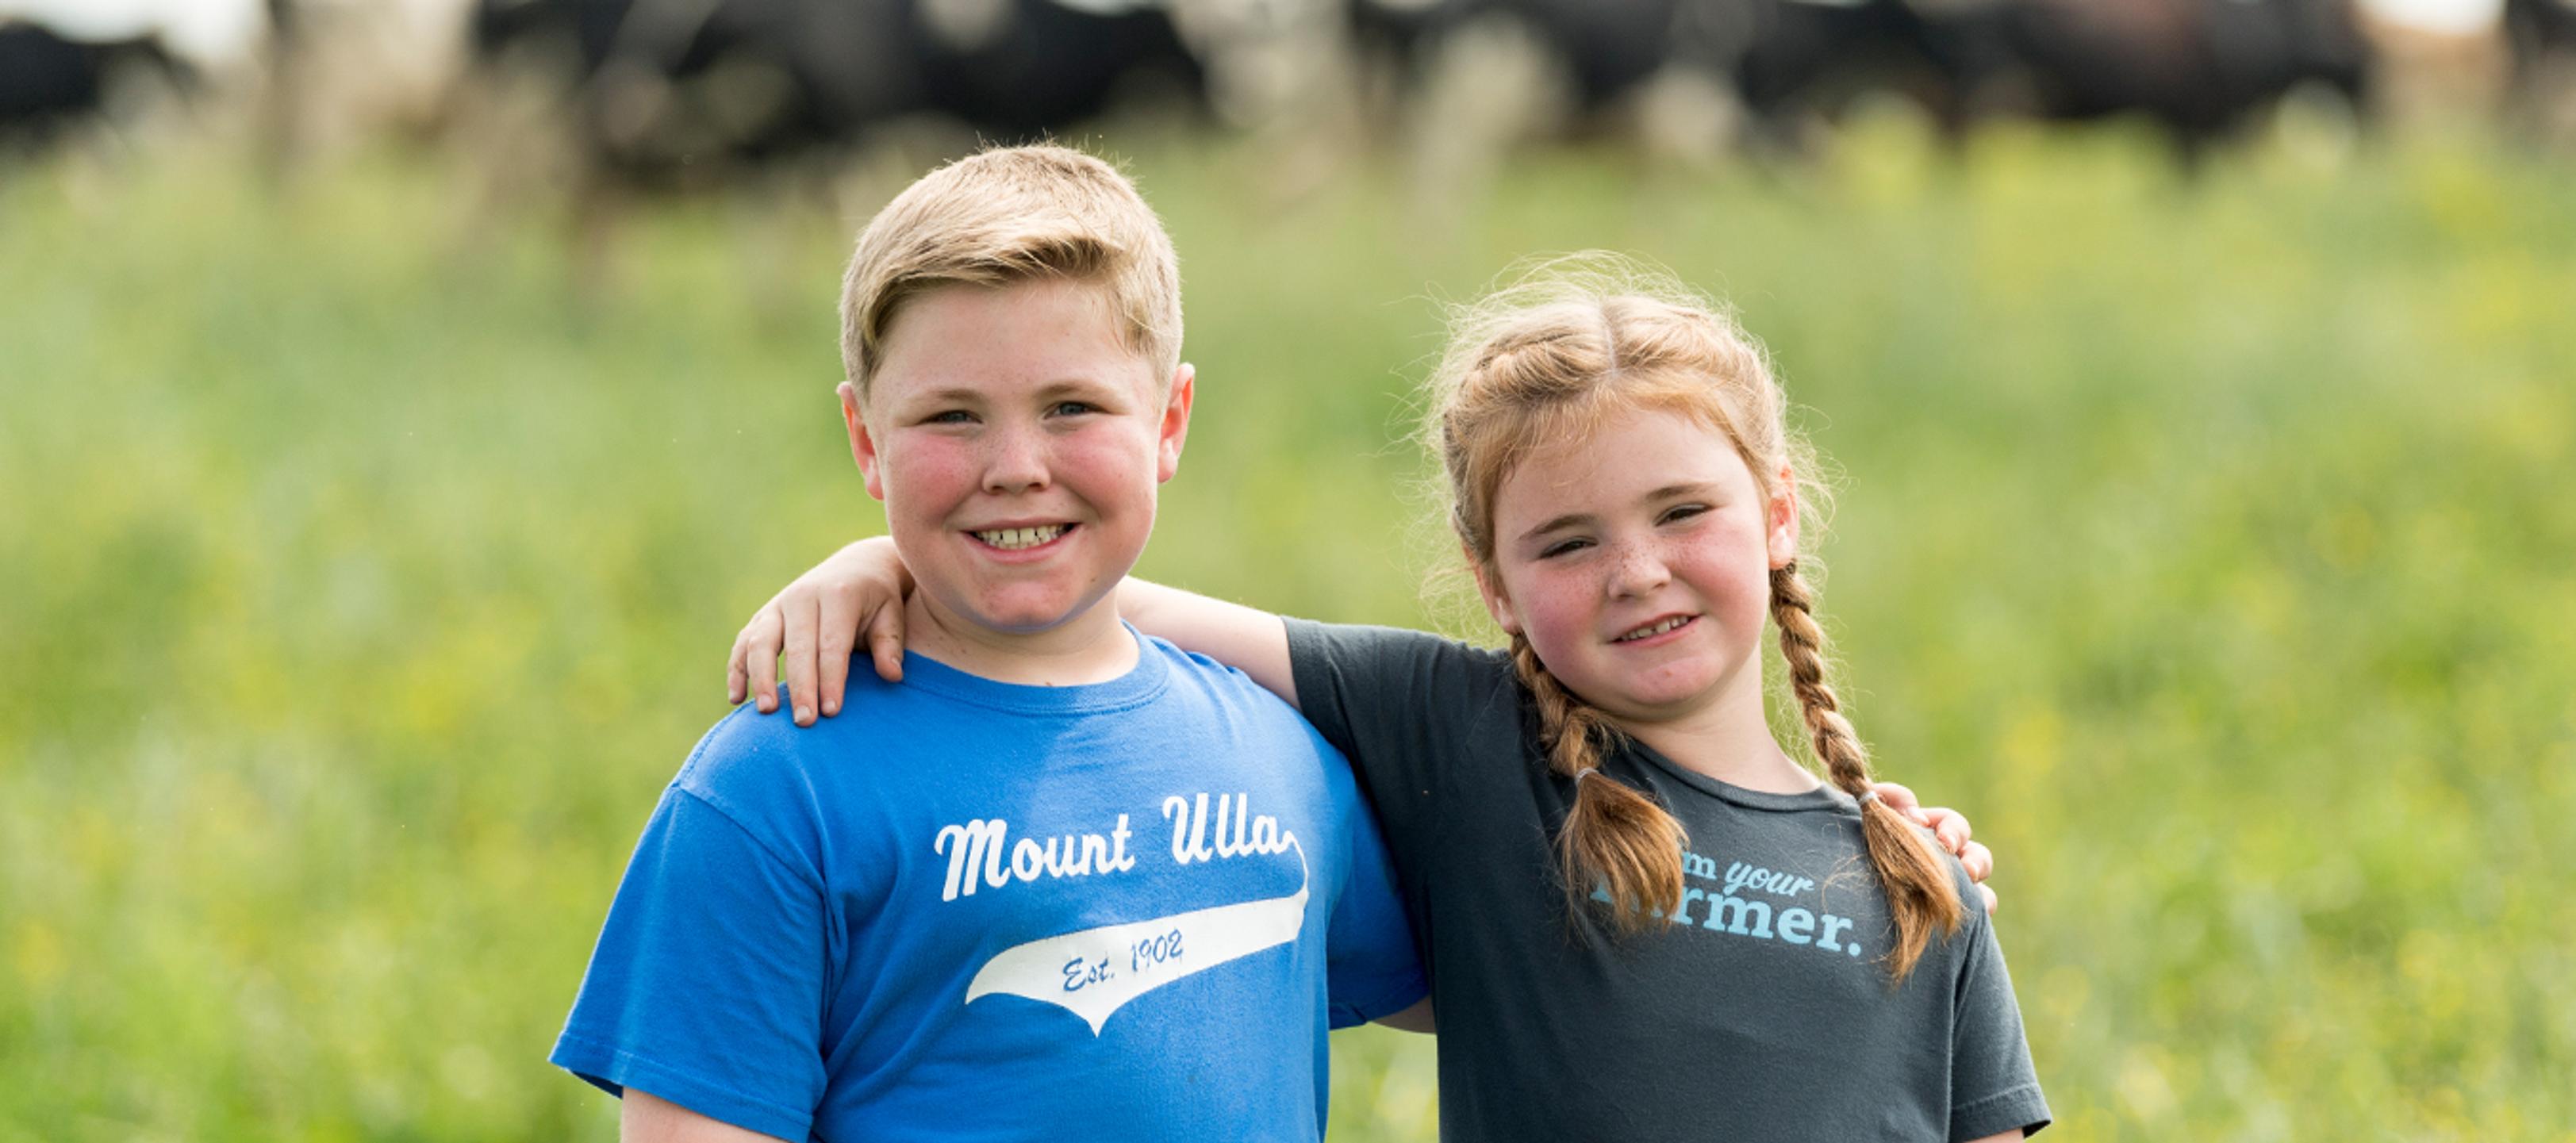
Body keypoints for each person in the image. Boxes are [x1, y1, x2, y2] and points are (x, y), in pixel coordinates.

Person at [733, 253, 2050, 1141]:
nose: (1637, 572)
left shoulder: (1917, 880)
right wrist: (883, 559)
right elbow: (1088, 586)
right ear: (1490, 580)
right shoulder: (1464, 738)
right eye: (1565, 541)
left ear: (1773, 514)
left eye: (1683, 512)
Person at [549, 144, 1430, 1143]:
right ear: (866, 441)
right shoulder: (775, 792)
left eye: (1073, 408)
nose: (1015, 467)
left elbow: (1520, 985)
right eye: (952, 417)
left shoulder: (1284, 756)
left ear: (1171, 420)